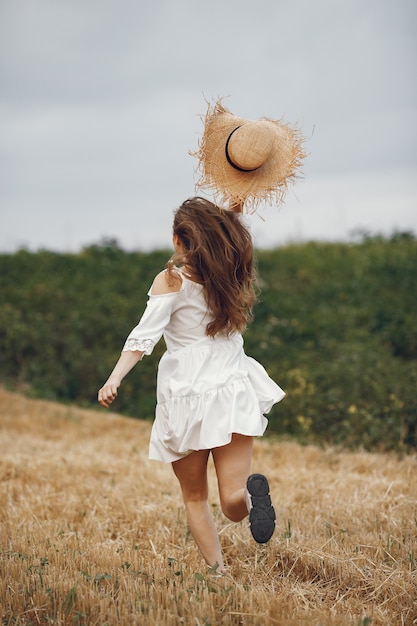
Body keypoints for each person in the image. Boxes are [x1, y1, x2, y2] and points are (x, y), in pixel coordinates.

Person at [98, 196, 285, 575]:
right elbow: (227, 241)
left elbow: (142, 337)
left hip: (187, 396)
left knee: (195, 498)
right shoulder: (228, 275)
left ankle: (219, 576)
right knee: (231, 497)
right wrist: (231, 213)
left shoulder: (171, 280)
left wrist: (113, 378)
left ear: (179, 241)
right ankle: (250, 499)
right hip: (232, 387)